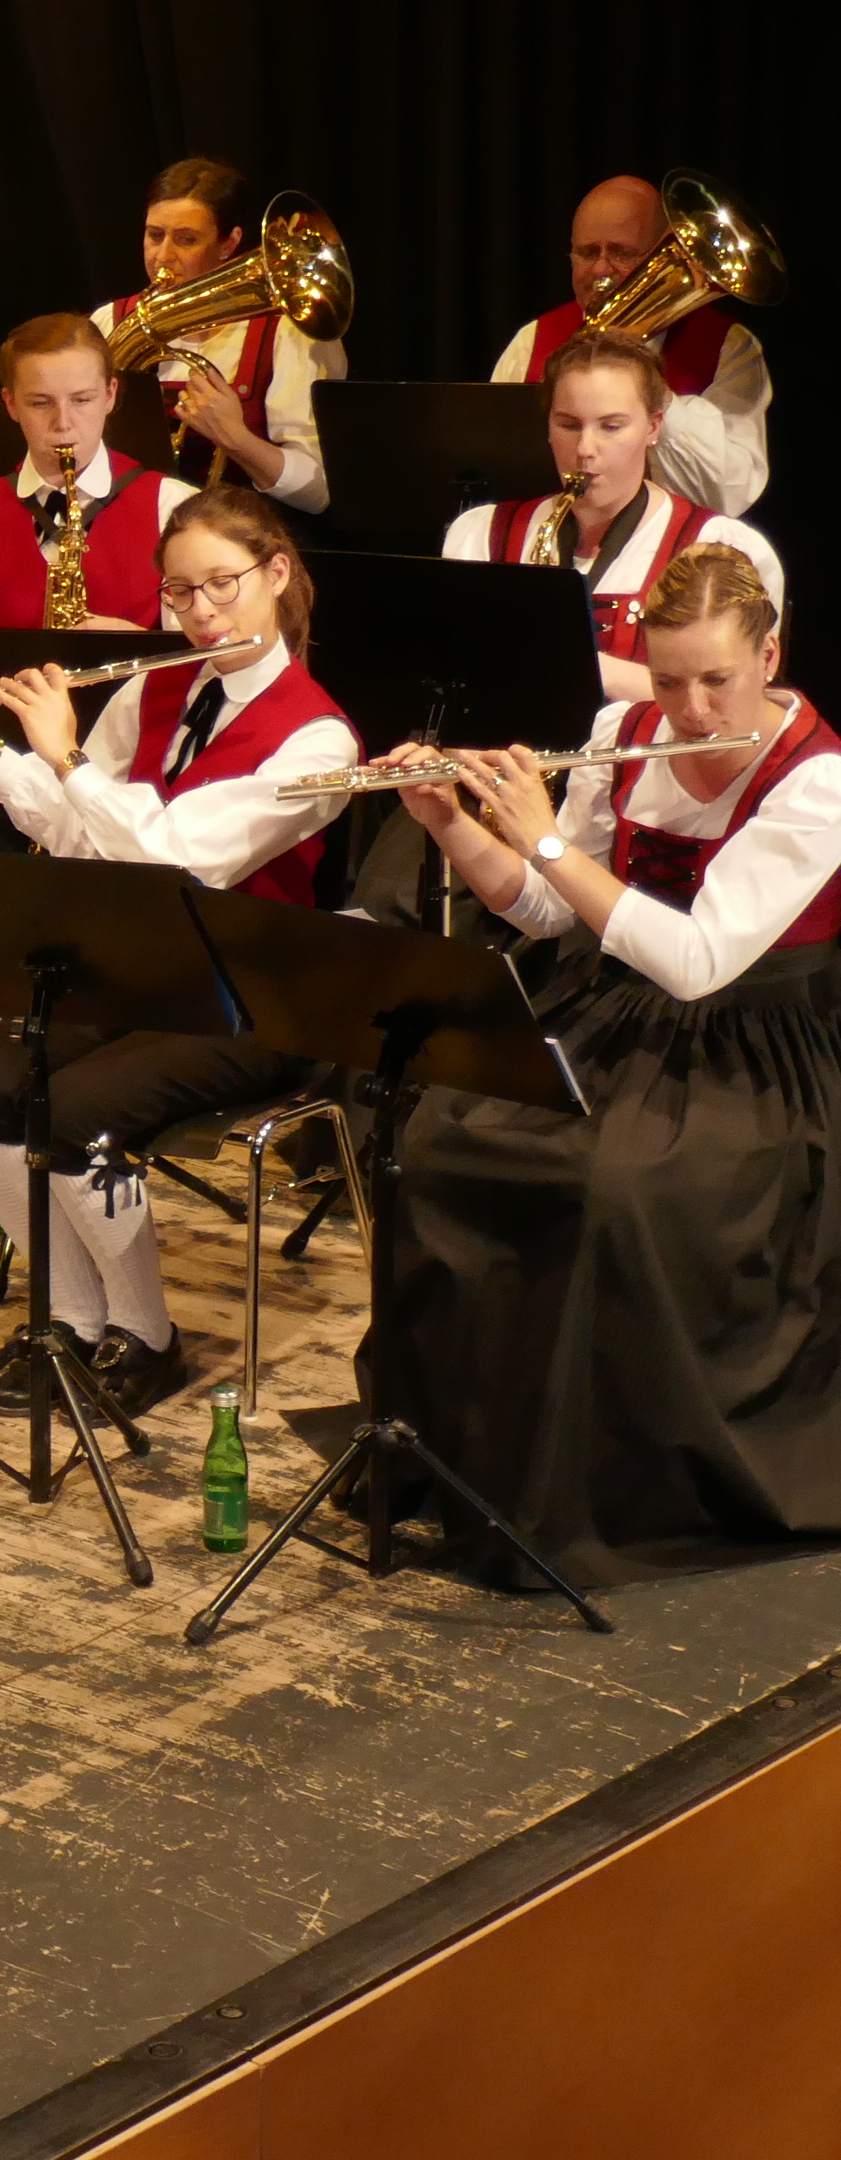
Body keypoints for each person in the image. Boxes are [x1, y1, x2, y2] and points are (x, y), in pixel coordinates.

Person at [380, 544, 840, 1587]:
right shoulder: (620, 732)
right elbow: (550, 912)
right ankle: (469, 1451)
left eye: (717, 678)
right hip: (614, 1008)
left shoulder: (818, 781)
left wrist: (544, 839)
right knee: (442, 1138)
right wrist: (453, 826)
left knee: (614, 1186)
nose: (690, 707)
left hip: (759, 1045)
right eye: (668, 680)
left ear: (770, 655)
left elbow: (699, 961)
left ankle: (592, 1487)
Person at [0, 488, 355, 1421]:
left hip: (258, 993)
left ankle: (148, 1339)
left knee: (80, 1111)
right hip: (139, 968)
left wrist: (68, 757)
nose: (201, 612)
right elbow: (85, 837)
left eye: (222, 585)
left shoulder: (318, 737)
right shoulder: (154, 688)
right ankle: (74, 1322)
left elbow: (180, 857)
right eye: (180, 593)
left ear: (277, 574)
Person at [0, 311, 196, 854]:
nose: (63, 424)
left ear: (111, 395)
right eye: (40, 403)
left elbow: (213, 663)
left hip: (141, 740)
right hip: (8, 744)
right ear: (10, 403)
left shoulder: (174, 509)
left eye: (82, 400)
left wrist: (139, 642)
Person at [443, 332, 786, 705]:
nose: (585, 450)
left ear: (654, 427)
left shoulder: (721, 545)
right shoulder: (483, 533)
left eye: (611, 427)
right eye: (569, 425)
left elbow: (740, 703)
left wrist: (574, 661)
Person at [490, 175, 768, 515]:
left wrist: (642, 378)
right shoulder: (533, 339)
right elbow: (497, 466)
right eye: (587, 253)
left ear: (664, 254)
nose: (601, 270)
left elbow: (732, 491)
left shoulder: (728, 345)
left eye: (622, 253)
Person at [87, 159, 331, 512]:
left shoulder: (286, 334)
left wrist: (236, 439)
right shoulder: (109, 321)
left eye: (186, 240)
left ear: (229, 243)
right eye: (154, 235)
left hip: (241, 532)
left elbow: (317, 493)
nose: (163, 256)